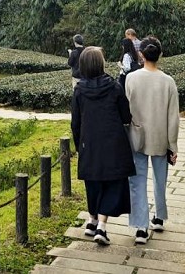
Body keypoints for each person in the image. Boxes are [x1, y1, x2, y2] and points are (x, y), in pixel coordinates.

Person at [71, 46, 136, 245]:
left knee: (93, 183)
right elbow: (126, 116)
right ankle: (101, 226)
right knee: (113, 183)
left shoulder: (79, 90)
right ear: (101, 64)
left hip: (89, 144)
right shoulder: (114, 87)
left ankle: (91, 221)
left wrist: (78, 146)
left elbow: (75, 122)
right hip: (113, 143)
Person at [125, 36, 180, 243]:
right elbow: (173, 117)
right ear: (160, 55)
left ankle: (141, 227)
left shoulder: (131, 78)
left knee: (137, 182)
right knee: (160, 179)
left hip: (136, 136)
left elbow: (126, 110)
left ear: (141, 54)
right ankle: (159, 217)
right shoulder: (168, 82)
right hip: (161, 137)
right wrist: (173, 146)